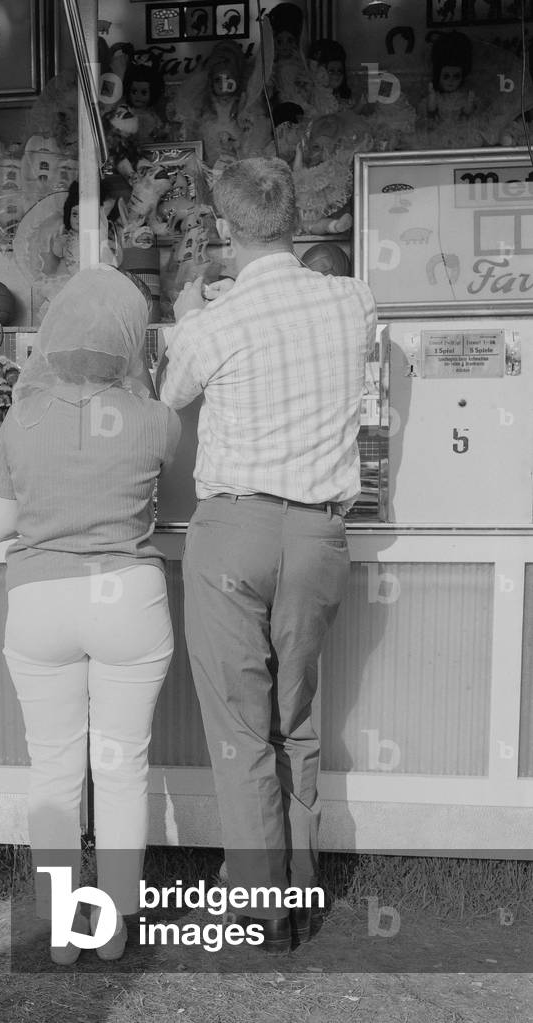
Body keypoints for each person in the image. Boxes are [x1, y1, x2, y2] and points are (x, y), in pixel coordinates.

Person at [158, 158, 375, 954]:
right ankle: (299, 888)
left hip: (232, 531)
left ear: (221, 231)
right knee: (297, 719)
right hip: (318, 530)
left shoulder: (213, 320)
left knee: (241, 730)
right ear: (293, 221)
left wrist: (186, 311)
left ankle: (258, 902)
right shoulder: (351, 298)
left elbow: (169, 396)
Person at [0, 266, 179, 964]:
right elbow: (175, 510)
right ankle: (119, 917)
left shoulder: (20, 419)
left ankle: (63, 927)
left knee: (55, 767)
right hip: (128, 599)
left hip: (39, 602)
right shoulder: (158, 420)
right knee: (122, 764)